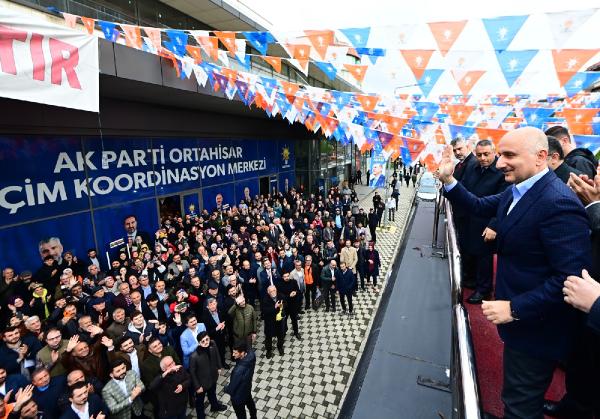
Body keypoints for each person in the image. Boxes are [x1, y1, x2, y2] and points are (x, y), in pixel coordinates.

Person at [437, 127, 592, 418]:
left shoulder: (558, 203)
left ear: (540, 157)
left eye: (509, 156)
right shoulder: (518, 190)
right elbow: (479, 206)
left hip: (538, 328)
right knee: (515, 398)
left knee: (520, 407)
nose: (498, 163)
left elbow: (570, 281)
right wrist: (448, 179)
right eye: (500, 154)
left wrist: (514, 308)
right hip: (521, 323)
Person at [460, 140, 509, 304]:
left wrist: (494, 225)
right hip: (470, 216)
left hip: (488, 221)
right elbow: (465, 187)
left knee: (484, 257)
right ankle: (471, 280)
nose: (482, 158)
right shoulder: (472, 167)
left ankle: (484, 289)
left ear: (494, 152)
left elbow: (504, 201)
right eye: (479, 154)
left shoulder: (502, 172)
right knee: (469, 249)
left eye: (486, 154)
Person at [189, 332, 227, 418]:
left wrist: (219, 367)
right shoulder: (194, 356)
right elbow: (192, 372)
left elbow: (217, 355)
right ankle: (201, 416)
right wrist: (197, 386)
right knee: (200, 401)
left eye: (207, 339)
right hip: (202, 384)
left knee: (212, 393)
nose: (206, 342)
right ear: (199, 343)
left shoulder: (212, 346)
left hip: (213, 378)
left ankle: (215, 406)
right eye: (203, 341)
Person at [224, 343, 257, 419]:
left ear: (242, 353)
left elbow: (232, 389)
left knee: (241, 415)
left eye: (235, 353)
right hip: (247, 390)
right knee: (251, 406)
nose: (233, 354)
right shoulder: (252, 356)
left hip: (238, 398)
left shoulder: (237, 371)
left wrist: (226, 388)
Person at [261, 286, 285, 358]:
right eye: (271, 291)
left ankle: (280, 347)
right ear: (268, 292)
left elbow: (286, 303)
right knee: (268, 337)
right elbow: (264, 310)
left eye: (274, 290)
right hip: (269, 321)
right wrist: (274, 307)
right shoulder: (264, 299)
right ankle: (269, 350)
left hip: (279, 321)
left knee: (280, 335)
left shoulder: (280, 296)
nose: (273, 292)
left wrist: (282, 306)